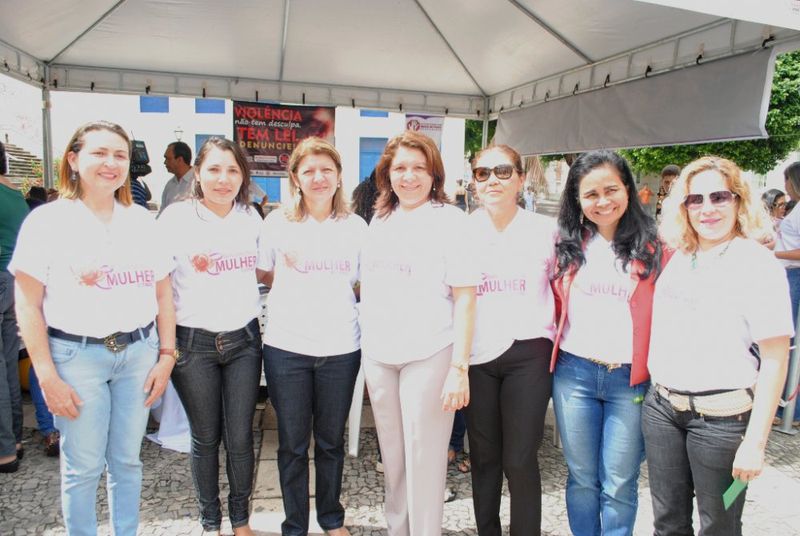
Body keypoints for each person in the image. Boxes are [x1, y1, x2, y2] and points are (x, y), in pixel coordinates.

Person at [10, 121, 176, 535]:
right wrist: (45, 375)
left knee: (127, 461)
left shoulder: (141, 221)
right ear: (73, 159)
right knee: (82, 466)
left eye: (119, 155)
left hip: (138, 354)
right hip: (75, 357)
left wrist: (166, 356)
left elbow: (162, 296)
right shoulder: (47, 222)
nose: (111, 163)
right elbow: (27, 303)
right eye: (99, 153)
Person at [645, 156, 792, 535]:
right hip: (662, 411)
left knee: (719, 525)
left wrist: (756, 442)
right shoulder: (681, 255)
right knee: (667, 523)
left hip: (723, 422)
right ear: (684, 207)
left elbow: (775, 359)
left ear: (739, 201)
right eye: (696, 200)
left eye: (719, 197)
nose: (707, 209)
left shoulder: (759, 265)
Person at [359, 131, 478, 536]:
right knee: (393, 456)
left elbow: (465, 298)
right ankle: (398, 529)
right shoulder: (380, 218)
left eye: (419, 168)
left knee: (424, 458)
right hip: (379, 354)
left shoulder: (451, 221)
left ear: (434, 175)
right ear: (386, 174)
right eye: (400, 168)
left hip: (429, 352)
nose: (409, 177)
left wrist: (459, 368)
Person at [551, 150, 662, 536]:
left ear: (628, 191)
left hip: (629, 380)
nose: (602, 201)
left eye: (611, 190)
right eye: (590, 194)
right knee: (582, 477)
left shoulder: (656, 247)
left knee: (619, 482)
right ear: (577, 201)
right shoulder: (566, 245)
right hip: (574, 374)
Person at [159, 136, 264, 535]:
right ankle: (210, 521)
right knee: (204, 438)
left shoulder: (250, 217)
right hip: (193, 346)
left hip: (243, 342)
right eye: (214, 170)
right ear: (198, 174)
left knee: (240, 436)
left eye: (233, 170)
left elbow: (264, 271)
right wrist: (167, 349)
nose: (224, 179)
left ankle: (240, 520)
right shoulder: (175, 219)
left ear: (243, 177)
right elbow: (161, 288)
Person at [261, 137, 365, 536]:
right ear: (295, 179)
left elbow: (361, 284)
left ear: (339, 177)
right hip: (287, 348)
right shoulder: (276, 223)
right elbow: (262, 273)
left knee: (330, 442)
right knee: (290, 444)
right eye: (309, 171)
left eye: (326, 170)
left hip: (341, 348)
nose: (318, 178)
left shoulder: (356, 227)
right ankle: (294, 525)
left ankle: (331, 519)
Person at [466, 145, 556, 535]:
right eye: (483, 173)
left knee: (519, 459)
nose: (493, 180)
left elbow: (566, 284)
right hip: (477, 355)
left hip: (529, 352)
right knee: (484, 458)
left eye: (503, 171)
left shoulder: (546, 230)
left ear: (521, 178)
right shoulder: (462, 230)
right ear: (473, 183)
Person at [0, 139, 28, 473]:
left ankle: (5, 447)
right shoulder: (16, 197)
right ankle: (14, 438)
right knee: (8, 362)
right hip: (12, 282)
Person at [159, 141, 194, 215]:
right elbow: (162, 213)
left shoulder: (200, 182)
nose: (165, 162)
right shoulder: (169, 185)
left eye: (168, 159)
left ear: (179, 160)